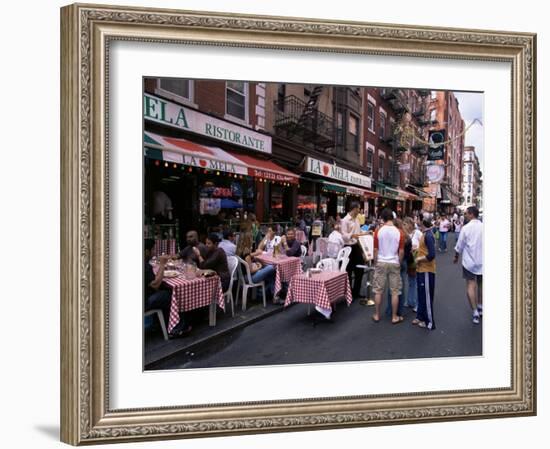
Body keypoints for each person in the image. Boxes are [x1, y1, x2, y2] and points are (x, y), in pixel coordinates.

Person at [144, 239, 191, 337]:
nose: (153, 252)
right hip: (145, 301)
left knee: (167, 291)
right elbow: (155, 284)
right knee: (175, 295)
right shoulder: (144, 266)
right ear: (146, 251)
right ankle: (176, 329)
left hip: (146, 295)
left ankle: (161, 323)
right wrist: (162, 264)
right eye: (152, 250)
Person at [371, 208, 405, 324]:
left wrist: (375, 262)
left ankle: (376, 314)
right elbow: (401, 251)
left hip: (381, 261)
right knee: (395, 291)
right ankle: (394, 316)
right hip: (394, 261)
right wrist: (399, 262)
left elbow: (375, 249)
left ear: (383, 218)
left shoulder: (378, 231)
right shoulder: (399, 232)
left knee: (378, 290)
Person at [454, 206, 483, 324]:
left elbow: (459, 245)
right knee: (481, 284)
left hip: (469, 262)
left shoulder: (466, 228)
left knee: (471, 285)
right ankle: (480, 306)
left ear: (471, 214)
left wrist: (456, 256)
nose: (465, 215)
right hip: (483, 260)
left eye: (466, 213)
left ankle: (475, 311)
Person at [341, 201, 370, 299]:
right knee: (348, 271)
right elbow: (343, 236)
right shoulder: (345, 220)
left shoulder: (357, 219)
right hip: (348, 247)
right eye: (358, 208)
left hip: (356, 246)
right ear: (354, 209)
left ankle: (356, 292)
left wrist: (366, 233)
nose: (360, 210)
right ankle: (349, 294)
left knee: (360, 269)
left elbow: (359, 231)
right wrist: (352, 235)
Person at [236, 231, 276, 301]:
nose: (252, 241)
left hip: (242, 277)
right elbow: (251, 271)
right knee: (272, 267)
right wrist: (259, 266)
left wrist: (255, 259)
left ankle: (266, 293)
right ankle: (263, 293)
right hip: (250, 278)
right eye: (251, 239)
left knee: (271, 274)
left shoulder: (239, 250)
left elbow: (249, 260)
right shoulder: (246, 254)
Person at [413, 219, 437, 330]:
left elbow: (432, 254)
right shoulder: (425, 234)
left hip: (427, 270)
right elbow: (425, 250)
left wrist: (419, 258)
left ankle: (429, 322)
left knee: (426, 296)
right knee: (421, 295)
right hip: (421, 269)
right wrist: (417, 250)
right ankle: (420, 317)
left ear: (422, 223)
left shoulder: (428, 235)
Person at [403, 217, 422, 311]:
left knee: (417, 281)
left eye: (405, 224)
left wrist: (417, 248)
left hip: (416, 259)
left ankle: (418, 304)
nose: (404, 226)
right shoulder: (405, 234)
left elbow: (424, 244)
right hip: (409, 260)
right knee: (411, 281)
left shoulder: (417, 233)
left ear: (410, 224)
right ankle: (410, 301)